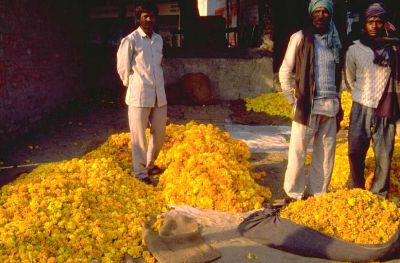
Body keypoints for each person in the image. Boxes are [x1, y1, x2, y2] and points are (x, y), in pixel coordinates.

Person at [278, 0, 343, 201]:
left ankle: (318, 194)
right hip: (307, 107)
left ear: (330, 15)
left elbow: (337, 75)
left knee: (325, 156)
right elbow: (285, 71)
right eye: (318, 11)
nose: (321, 15)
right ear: (311, 14)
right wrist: (292, 100)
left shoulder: (335, 41)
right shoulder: (299, 37)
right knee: (298, 153)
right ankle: (294, 194)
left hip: (330, 107)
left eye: (325, 12)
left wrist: (339, 99)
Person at [345, 3, 400, 198]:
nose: (374, 26)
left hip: (386, 108)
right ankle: (357, 189)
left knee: (384, 154)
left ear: (385, 23)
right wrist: (361, 95)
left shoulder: (393, 48)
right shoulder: (355, 50)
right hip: (361, 106)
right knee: (355, 150)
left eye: (378, 21)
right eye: (370, 22)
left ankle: (379, 193)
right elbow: (349, 78)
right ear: (364, 25)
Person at [117, 1, 167, 184]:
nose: (149, 19)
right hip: (139, 94)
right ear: (138, 19)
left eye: (151, 16)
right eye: (145, 16)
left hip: (159, 95)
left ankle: (150, 164)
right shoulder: (130, 40)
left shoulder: (159, 39)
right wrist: (132, 84)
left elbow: (158, 64)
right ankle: (140, 173)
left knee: (159, 133)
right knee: (138, 137)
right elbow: (122, 67)